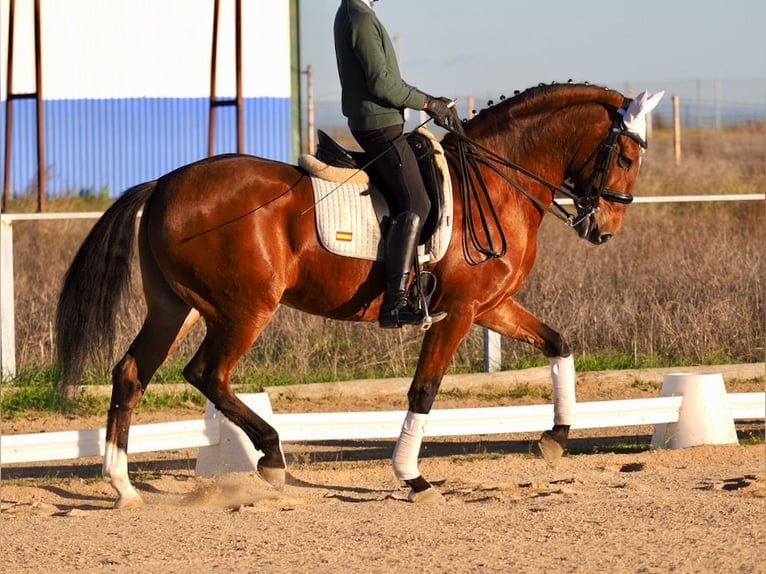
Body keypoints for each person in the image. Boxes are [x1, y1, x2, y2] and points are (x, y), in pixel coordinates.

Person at [334, 0, 456, 329]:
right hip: (379, 127)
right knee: (417, 201)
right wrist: (429, 103)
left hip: (382, 122)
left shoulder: (356, 13)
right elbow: (382, 83)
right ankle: (396, 302)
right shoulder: (358, 18)